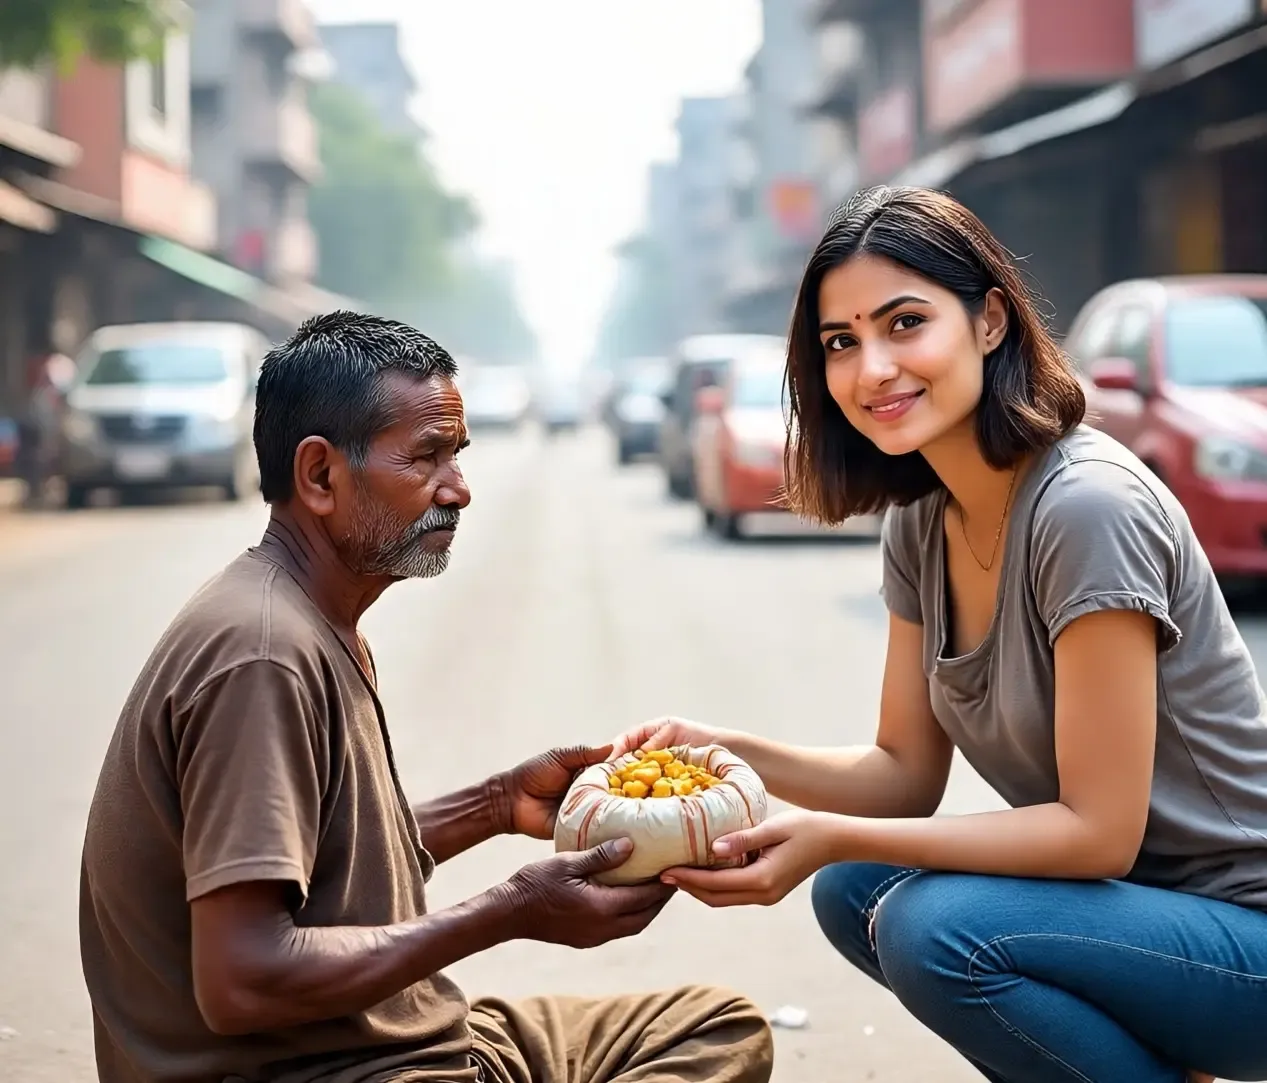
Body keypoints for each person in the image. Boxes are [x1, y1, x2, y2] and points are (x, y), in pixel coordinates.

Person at [613, 186, 1267, 1083]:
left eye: (904, 323)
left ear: (990, 320)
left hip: (1242, 931)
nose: (871, 367)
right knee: (858, 890)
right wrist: (722, 752)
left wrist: (827, 833)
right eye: (841, 341)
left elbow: (1096, 834)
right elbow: (901, 773)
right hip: (1136, 918)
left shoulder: (1084, 507)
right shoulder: (924, 518)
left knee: (932, 925)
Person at [79, 311, 773, 1083]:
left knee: (716, 1027)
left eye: (458, 455)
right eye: (427, 458)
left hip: (387, 1039)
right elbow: (244, 979)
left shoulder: (305, 615)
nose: (460, 489)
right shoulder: (264, 656)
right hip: (329, 1068)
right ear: (319, 476)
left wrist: (499, 803)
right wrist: (510, 910)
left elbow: (326, 868)